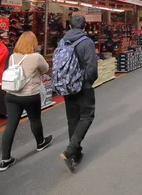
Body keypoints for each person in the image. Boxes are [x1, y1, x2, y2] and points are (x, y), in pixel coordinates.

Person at [0, 32, 52, 172]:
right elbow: (46, 69)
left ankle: (5, 159)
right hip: (30, 95)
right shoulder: (36, 57)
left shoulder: (12, 57)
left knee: (11, 125)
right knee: (34, 119)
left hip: (11, 94)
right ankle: (40, 143)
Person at [60, 15, 98, 173]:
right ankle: (70, 151)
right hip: (82, 85)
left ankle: (76, 154)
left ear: (69, 27)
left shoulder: (62, 41)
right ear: (85, 26)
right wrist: (88, 82)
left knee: (72, 119)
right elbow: (92, 68)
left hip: (66, 85)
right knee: (87, 116)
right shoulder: (87, 42)